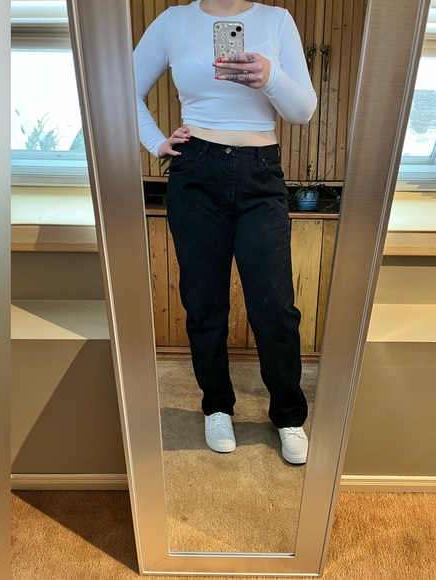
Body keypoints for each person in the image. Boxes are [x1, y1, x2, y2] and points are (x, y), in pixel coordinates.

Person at [133, 0, 317, 464]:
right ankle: (217, 406)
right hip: (196, 169)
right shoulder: (174, 21)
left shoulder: (276, 20)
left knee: (275, 307)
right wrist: (156, 142)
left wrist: (269, 76)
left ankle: (289, 415)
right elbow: (122, 91)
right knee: (204, 302)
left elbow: (303, 111)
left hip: (261, 172)